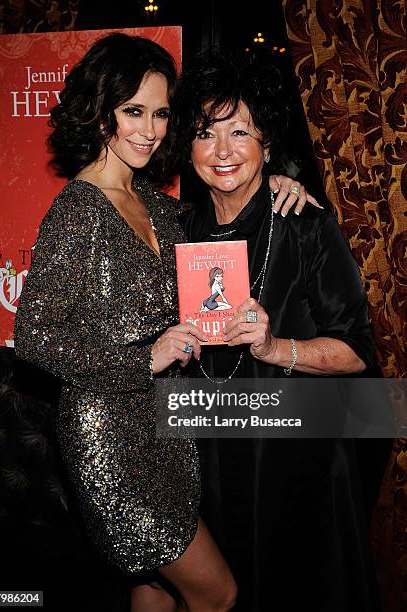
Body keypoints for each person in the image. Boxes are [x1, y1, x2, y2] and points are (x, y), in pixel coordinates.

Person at [13, 34, 314, 612]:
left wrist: (279, 179)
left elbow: (218, 218)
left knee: (153, 587)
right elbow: (35, 339)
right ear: (101, 112)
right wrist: (143, 358)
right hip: (111, 441)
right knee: (218, 594)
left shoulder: (152, 202)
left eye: (159, 113)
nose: (149, 130)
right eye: (132, 112)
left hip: (168, 432)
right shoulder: (77, 210)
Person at [176, 52, 380, 611]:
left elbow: (357, 351)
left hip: (294, 462)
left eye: (240, 132)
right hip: (209, 456)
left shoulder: (305, 224)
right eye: (204, 134)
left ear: (266, 142)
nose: (222, 152)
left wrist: (274, 347)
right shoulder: (176, 229)